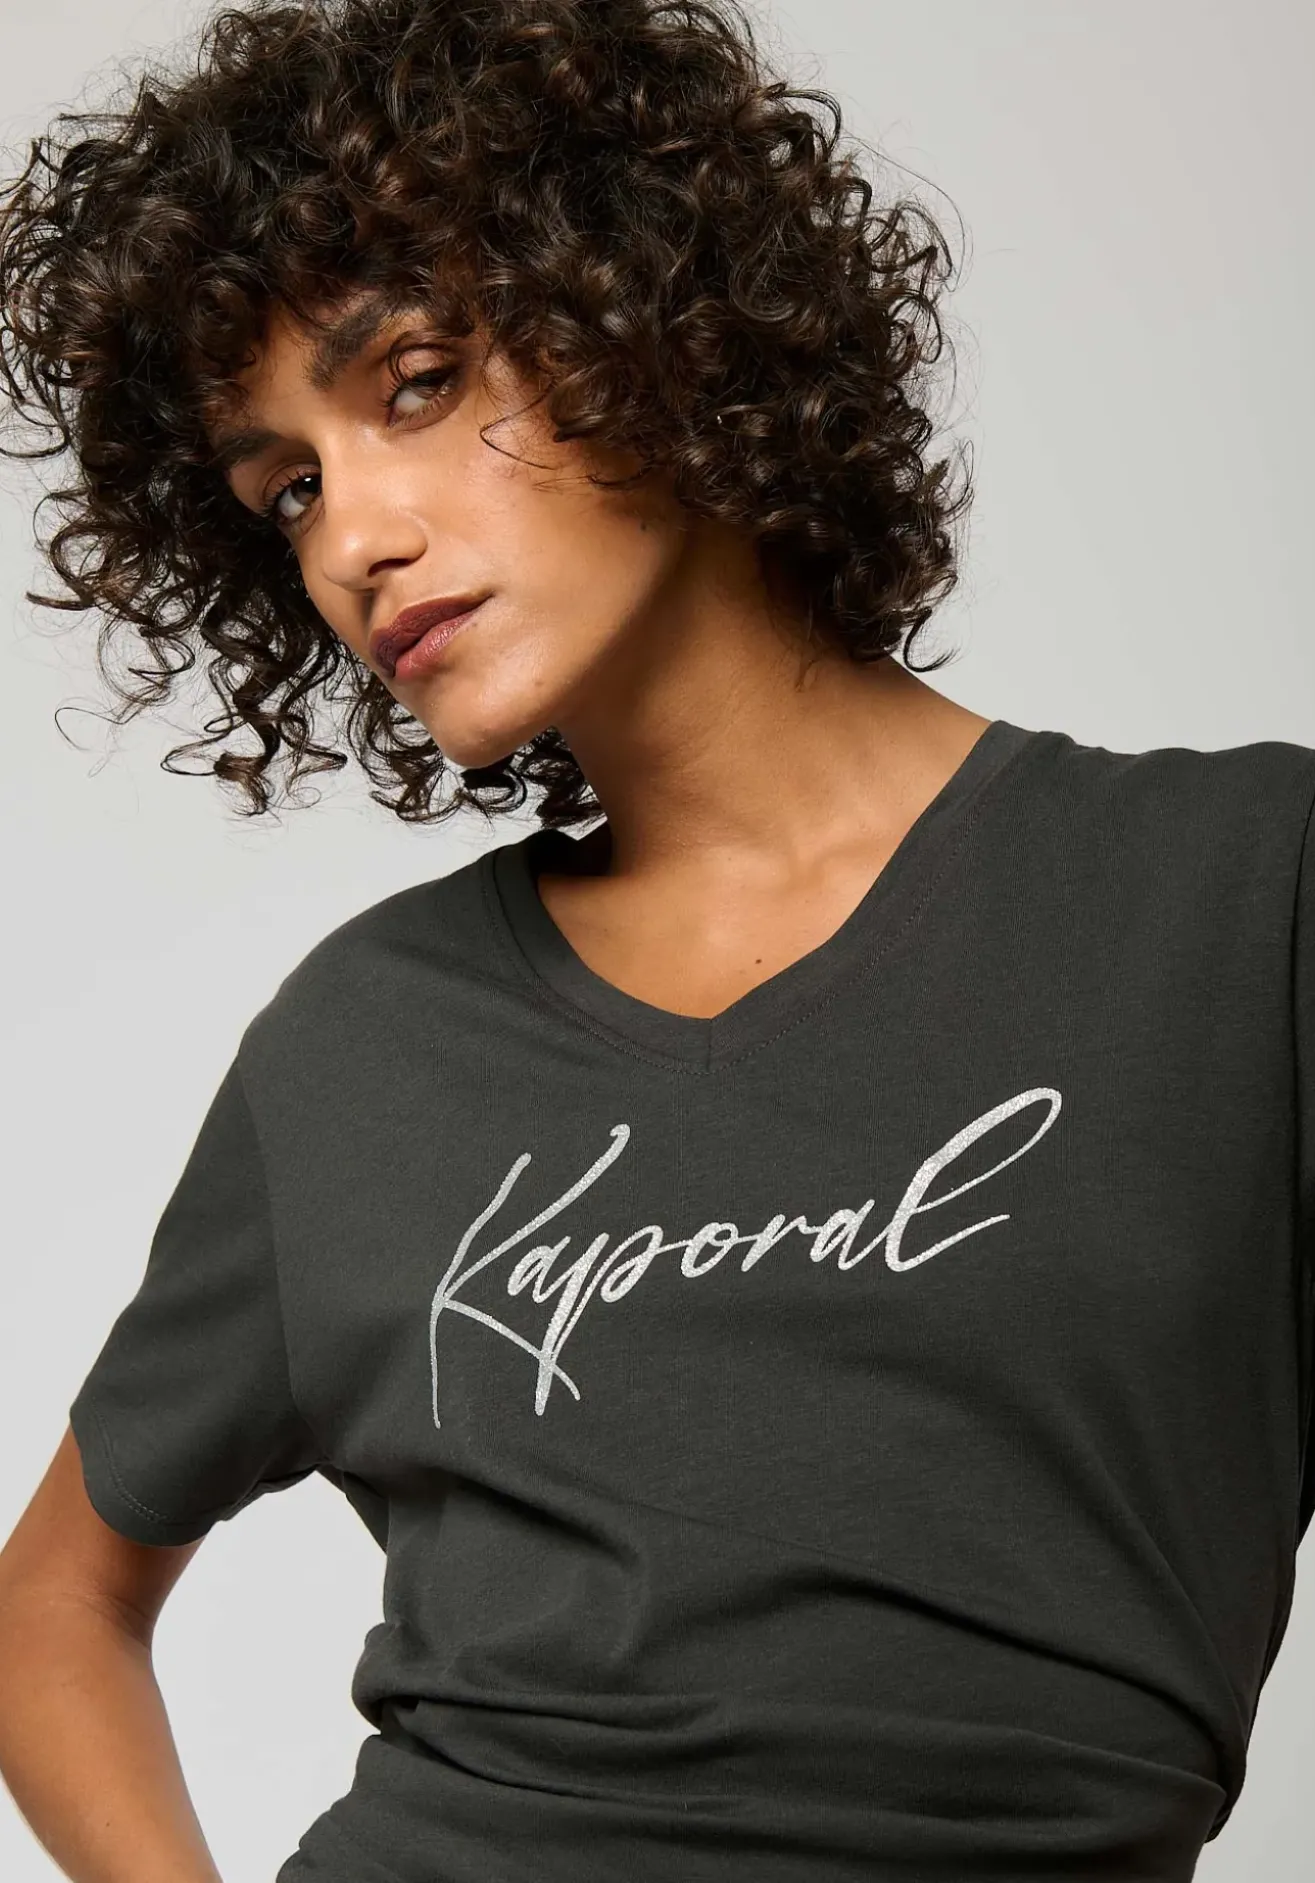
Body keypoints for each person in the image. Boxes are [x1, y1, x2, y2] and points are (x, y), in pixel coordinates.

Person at [0, 1, 1310, 1880]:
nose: (348, 536)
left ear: (646, 305)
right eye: (286, 489)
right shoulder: (363, 1043)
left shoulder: (1244, 899)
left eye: (417, 381)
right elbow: (51, 1604)